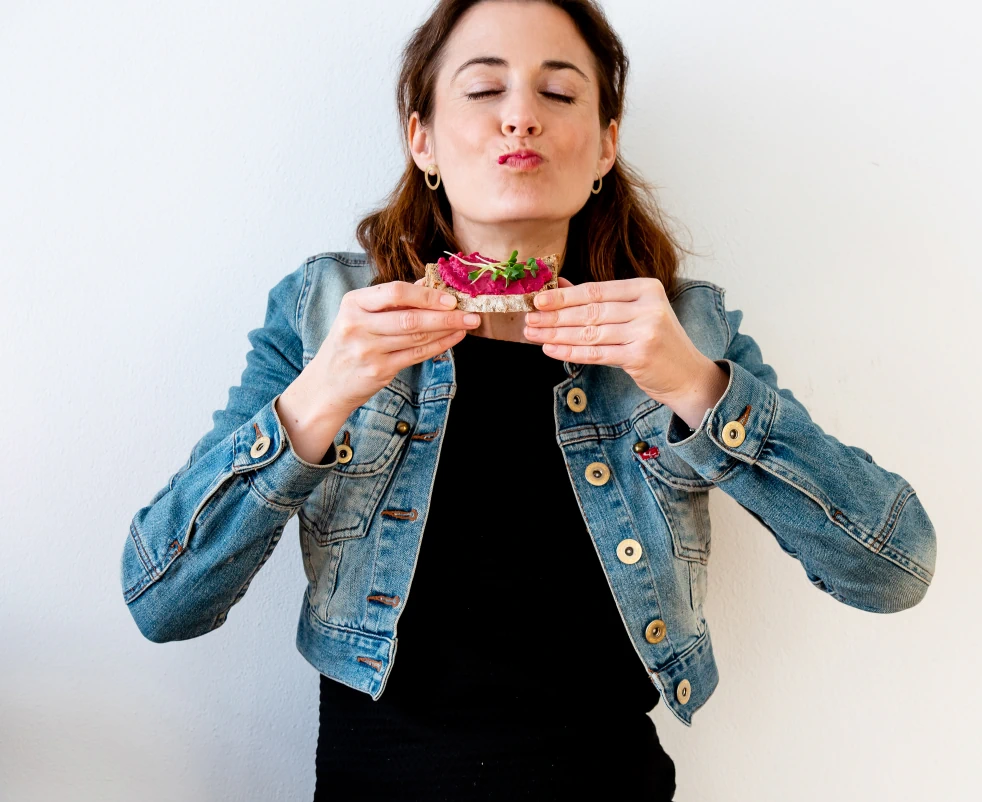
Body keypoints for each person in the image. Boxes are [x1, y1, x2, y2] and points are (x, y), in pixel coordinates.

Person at [121, 1, 937, 799]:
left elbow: (891, 574)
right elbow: (161, 603)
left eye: (558, 93)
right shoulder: (323, 312)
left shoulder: (685, 328)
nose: (519, 119)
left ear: (605, 146)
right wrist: (319, 397)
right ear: (423, 139)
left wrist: (697, 386)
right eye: (483, 91)